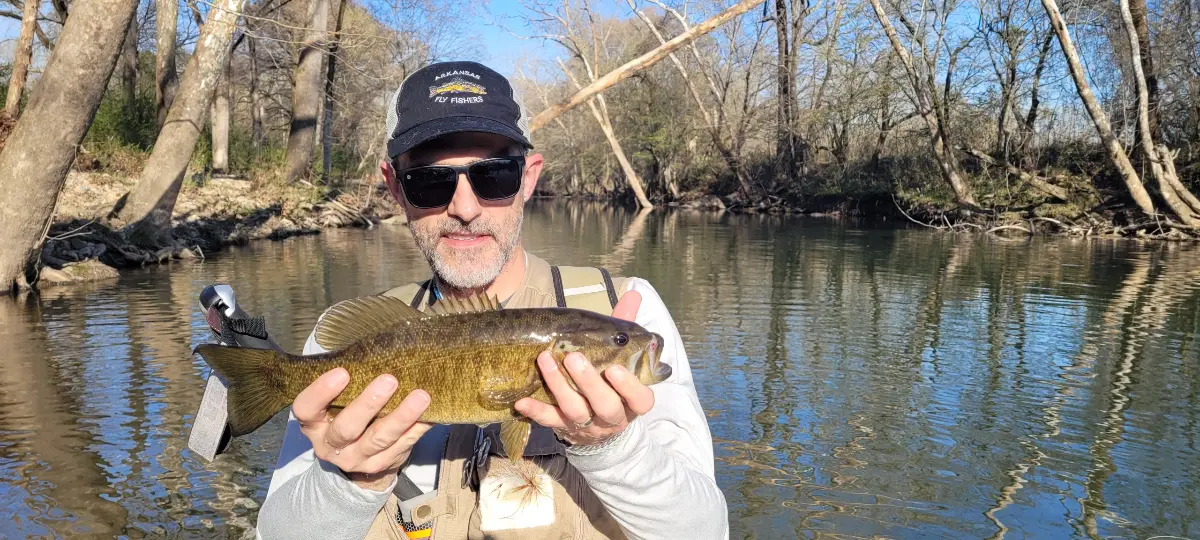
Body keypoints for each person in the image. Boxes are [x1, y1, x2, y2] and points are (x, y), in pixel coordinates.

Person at [255, 60, 728, 540]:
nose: (464, 208)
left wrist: (612, 448)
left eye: (495, 176)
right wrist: (352, 483)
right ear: (396, 188)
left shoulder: (628, 306)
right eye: (430, 182)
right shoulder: (349, 344)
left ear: (528, 178)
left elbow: (706, 531)